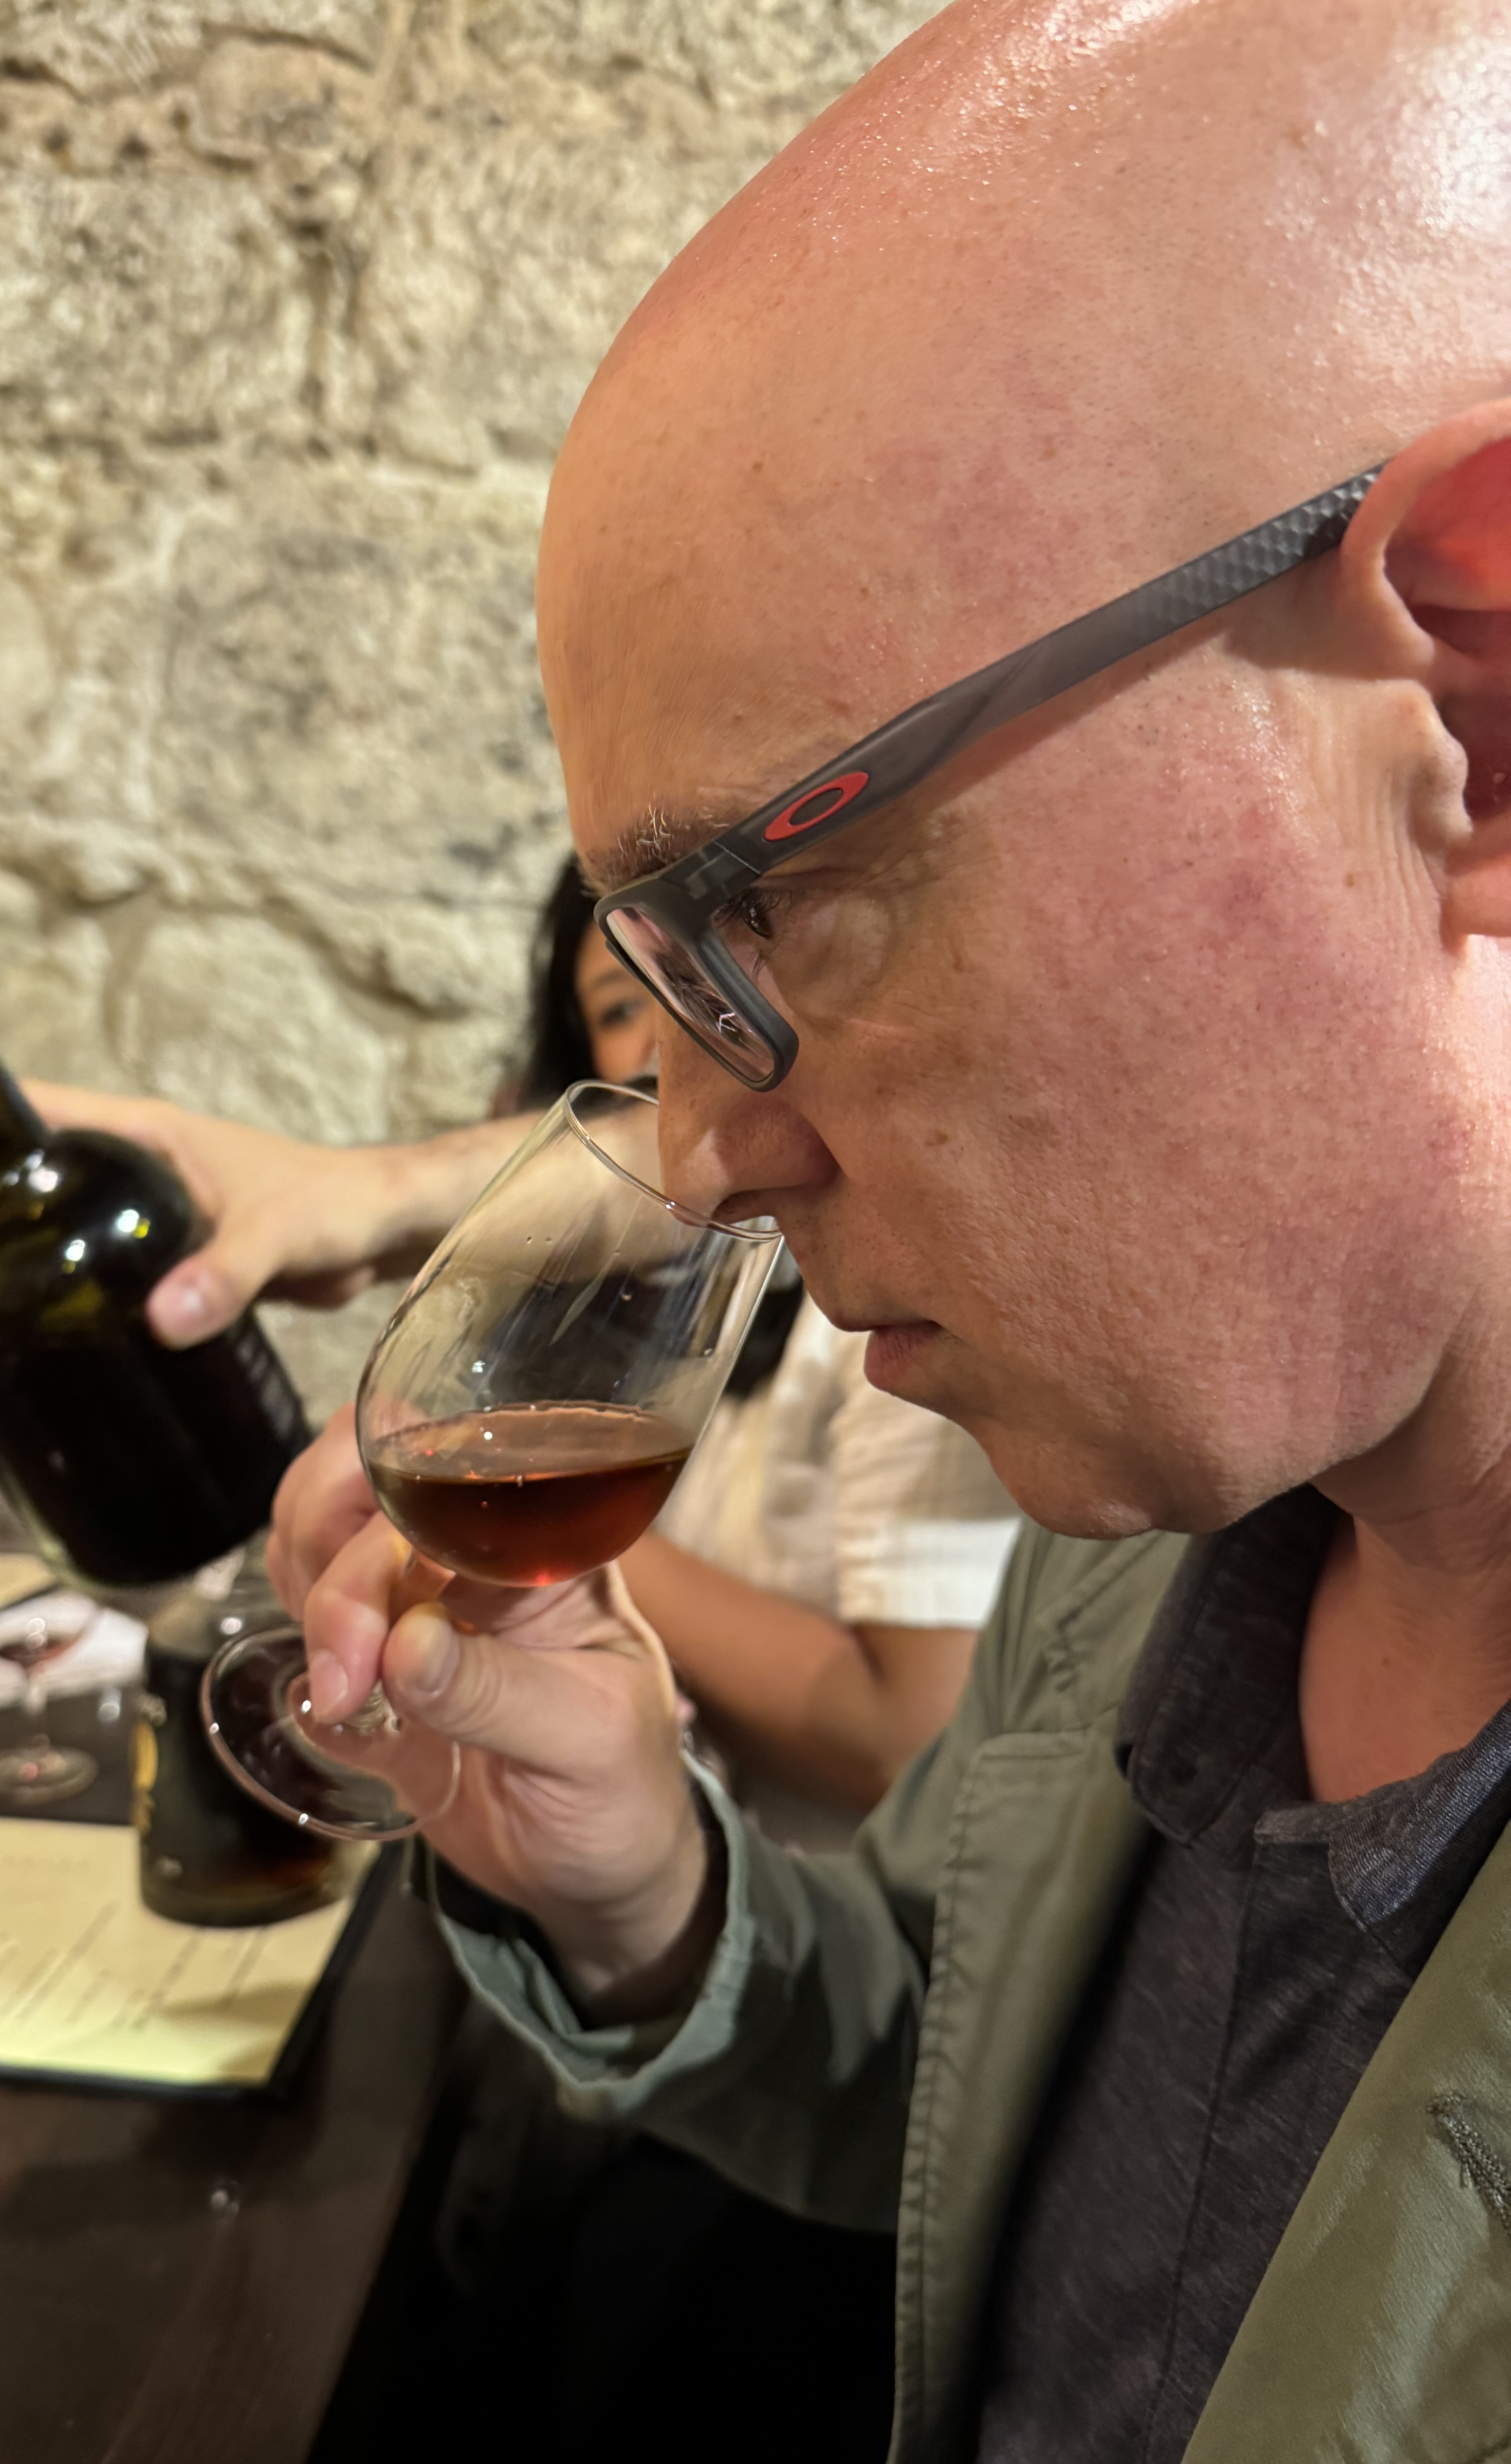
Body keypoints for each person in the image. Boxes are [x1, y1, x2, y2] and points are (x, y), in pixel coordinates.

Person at [244, 0, 1511, 2451]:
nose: (699, 1150)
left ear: (1473, 691)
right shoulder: (1149, 1534)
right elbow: (962, 2098)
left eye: (779, 903)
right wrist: (646, 1897)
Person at [518, 853, 1019, 1824]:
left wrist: (555, 1513)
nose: (669, 1046)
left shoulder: (884, 1309)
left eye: (704, 983)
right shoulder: (654, 1307)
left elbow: (910, 1746)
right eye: (623, 1007)